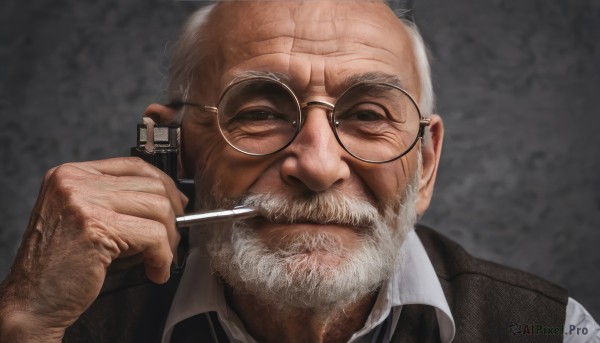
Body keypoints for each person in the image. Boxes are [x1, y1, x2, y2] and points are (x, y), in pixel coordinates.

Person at [0, 1, 598, 342]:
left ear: (426, 161)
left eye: (367, 115)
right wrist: (26, 326)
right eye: (259, 113)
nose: (316, 165)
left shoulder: (550, 331)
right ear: (175, 148)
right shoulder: (67, 326)